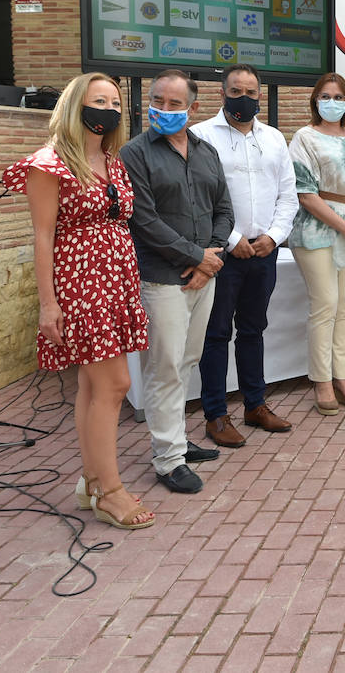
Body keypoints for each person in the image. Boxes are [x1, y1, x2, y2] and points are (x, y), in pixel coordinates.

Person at [4, 73, 152, 529]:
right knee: (114, 386)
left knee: (93, 386)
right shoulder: (49, 164)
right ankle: (110, 492)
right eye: (98, 100)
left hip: (117, 280)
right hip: (81, 284)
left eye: (114, 103)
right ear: (74, 106)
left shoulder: (114, 161)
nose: (107, 109)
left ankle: (92, 482)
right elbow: (43, 235)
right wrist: (49, 305)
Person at [121, 69, 234, 494]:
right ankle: (168, 460)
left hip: (204, 276)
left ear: (192, 107)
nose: (163, 110)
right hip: (162, 279)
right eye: (157, 101)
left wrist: (212, 256)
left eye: (173, 104)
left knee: (187, 360)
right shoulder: (135, 153)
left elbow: (224, 207)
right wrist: (195, 257)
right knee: (164, 367)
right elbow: (143, 219)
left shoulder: (206, 152)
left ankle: (178, 440)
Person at [189, 64, 298, 448]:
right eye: (236, 91)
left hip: (264, 251)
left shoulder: (274, 138)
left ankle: (255, 404)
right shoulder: (200, 136)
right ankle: (216, 415)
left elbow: (289, 194)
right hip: (222, 253)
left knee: (253, 330)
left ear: (260, 95)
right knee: (216, 334)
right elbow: (199, 199)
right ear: (222, 94)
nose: (244, 98)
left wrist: (274, 236)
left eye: (251, 92)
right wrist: (232, 238)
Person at [288, 73, 345, 415]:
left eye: (339, 96)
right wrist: (343, 225)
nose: (333, 102)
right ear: (315, 101)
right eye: (326, 96)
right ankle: (322, 381)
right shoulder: (304, 137)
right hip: (316, 231)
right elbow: (305, 192)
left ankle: (343, 375)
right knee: (325, 304)